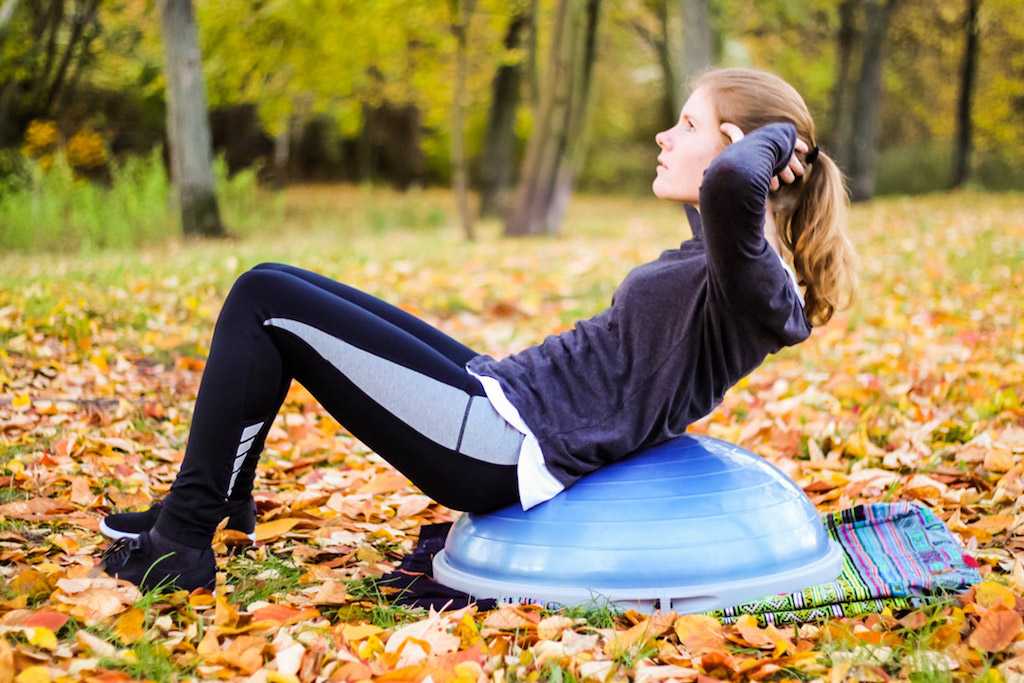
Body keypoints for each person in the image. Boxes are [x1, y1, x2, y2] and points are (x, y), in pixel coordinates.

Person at [99, 65, 858, 591]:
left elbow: (730, 185)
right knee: (275, 284)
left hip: (504, 445)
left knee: (263, 297)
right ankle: (211, 502)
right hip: (501, 393)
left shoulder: (760, 286)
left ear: (734, 147)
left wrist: (777, 140)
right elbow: (722, 192)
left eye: (685, 123)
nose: (663, 136)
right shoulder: (725, 255)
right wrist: (746, 142)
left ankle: (185, 541)